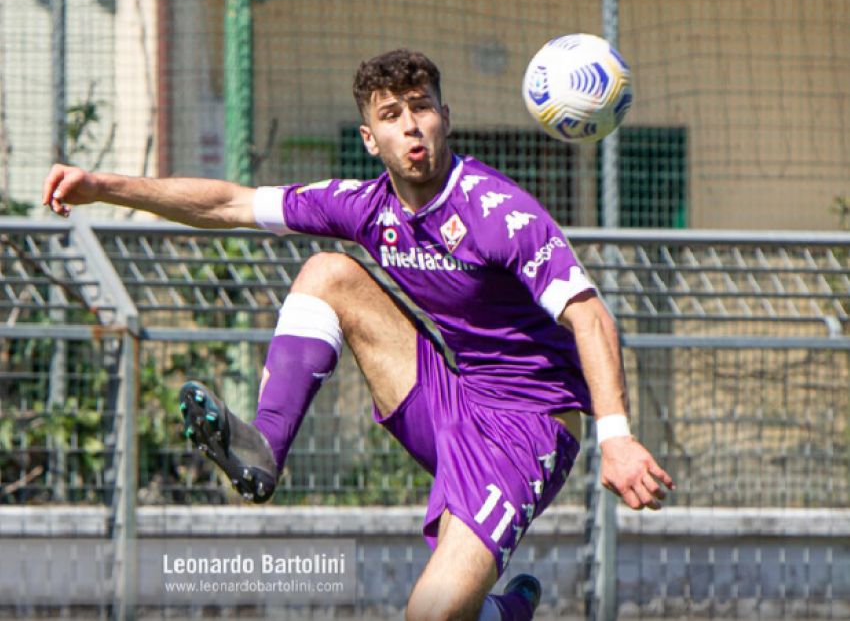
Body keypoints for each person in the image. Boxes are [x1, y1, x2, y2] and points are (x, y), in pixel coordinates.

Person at [43, 49, 674, 621]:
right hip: (450, 398)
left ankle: (498, 614)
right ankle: (266, 447)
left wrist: (615, 437)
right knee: (328, 273)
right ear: (372, 139)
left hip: (526, 428)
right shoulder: (365, 206)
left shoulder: (500, 213)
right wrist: (104, 187)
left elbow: (590, 315)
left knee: (428, 617)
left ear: (445, 118)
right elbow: (230, 204)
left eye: (421, 108)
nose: (412, 125)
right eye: (392, 114)